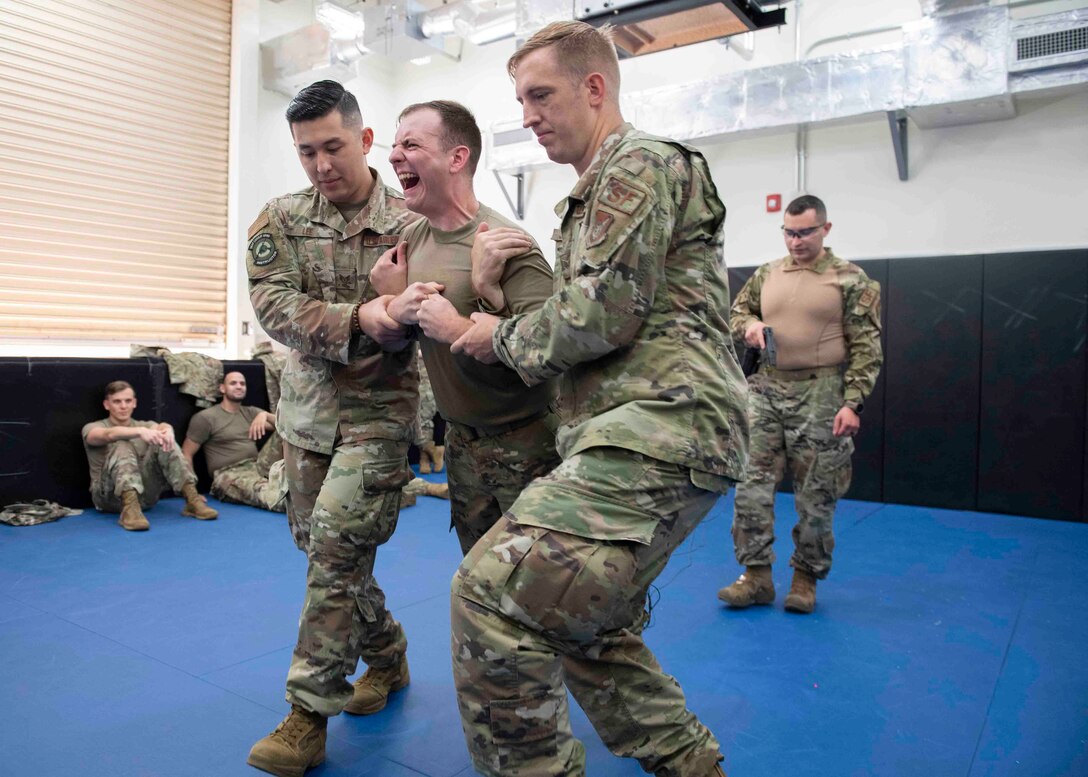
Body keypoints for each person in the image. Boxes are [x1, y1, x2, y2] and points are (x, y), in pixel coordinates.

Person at [442, 22, 747, 777]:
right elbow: (603, 309)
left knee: (492, 596)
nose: (528, 114)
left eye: (540, 94)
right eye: (519, 99)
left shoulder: (637, 163)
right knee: (578, 617)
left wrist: (490, 334)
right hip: (635, 428)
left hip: (662, 425)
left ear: (594, 87)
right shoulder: (594, 190)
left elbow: (603, 313)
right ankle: (689, 762)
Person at [244, 80, 420, 777]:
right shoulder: (279, 219)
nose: (320, 164)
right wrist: (363, 316)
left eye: (333, 146)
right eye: (306, 151)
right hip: (307, 416)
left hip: (381, 414)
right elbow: (274, 304)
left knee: (336, 547)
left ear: (366, 138)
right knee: (325, 554)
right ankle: (389, 652)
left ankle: (308, 712)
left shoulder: (413, 220)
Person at [377, 99, 560, 555]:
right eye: (395, 144)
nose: (394, 155)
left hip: (528, 445)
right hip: (461, 445)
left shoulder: (506, 245)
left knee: (538, 593)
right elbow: (396, 340)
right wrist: (388, 299)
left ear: (457, 158)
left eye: (411, 144)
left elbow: (551, 358)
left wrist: (483, 297)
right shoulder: (411, 241)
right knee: (477, 586)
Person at [717, 194, 882, 614]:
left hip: (821, 393)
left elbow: (867, 348)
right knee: (750, 487)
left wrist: (853, 403)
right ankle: (755, 577)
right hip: (765, 390)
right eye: (789, 232)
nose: (796, 240)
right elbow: (737, 313)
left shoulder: (851, 280)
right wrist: (750, 326)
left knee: (817, 493)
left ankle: (805, 580)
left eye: (805, 231)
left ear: (825, 229)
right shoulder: (767, 274)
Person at [82, 381, 218, 531]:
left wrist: (168, 430)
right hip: (109, 499)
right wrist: (139, 432)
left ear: (134, 403)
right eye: (117, 401)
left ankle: (192, 499)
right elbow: (109, 434)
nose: (123, 406)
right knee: (122, 443)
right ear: (107, 405)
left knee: (164, 439)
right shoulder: (93, 427)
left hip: (146, 497)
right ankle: (129, 511)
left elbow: (161, 427)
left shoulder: (145, 425)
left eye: (128, 401)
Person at [181, 371, 286, 512]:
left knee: (288, 432)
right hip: (229, 474)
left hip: (258, 466)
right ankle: (300, 506)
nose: (239, 386)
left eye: (242, 383)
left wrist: (265, 414)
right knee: (272, 496)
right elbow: (186, 453)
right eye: (233, 383)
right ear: (222, 388)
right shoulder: (206, 418)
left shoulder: (250, 412)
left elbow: (286, 426)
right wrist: (191, 492)